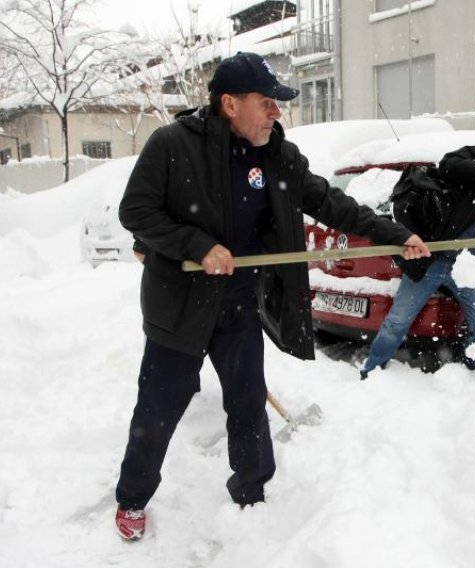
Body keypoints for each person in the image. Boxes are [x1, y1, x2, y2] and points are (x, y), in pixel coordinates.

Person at [113, 52, 430, 541]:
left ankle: (252, 491)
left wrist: (394, 235)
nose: (276, 112)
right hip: (178, 307)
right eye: (267, 103)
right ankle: (132, 498)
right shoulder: (173, 145)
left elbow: (332, 203)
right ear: (229, 104)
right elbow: (137, 211)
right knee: (157, 409)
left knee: (246, 403)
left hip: (238, 301)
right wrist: (197, 245)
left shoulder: (277, 156)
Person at [359, 126, 475, 379]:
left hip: (468, 268)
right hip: (432, 259)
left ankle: (464, 372)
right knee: (397, 321)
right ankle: (371, 370)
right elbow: (447, 164)